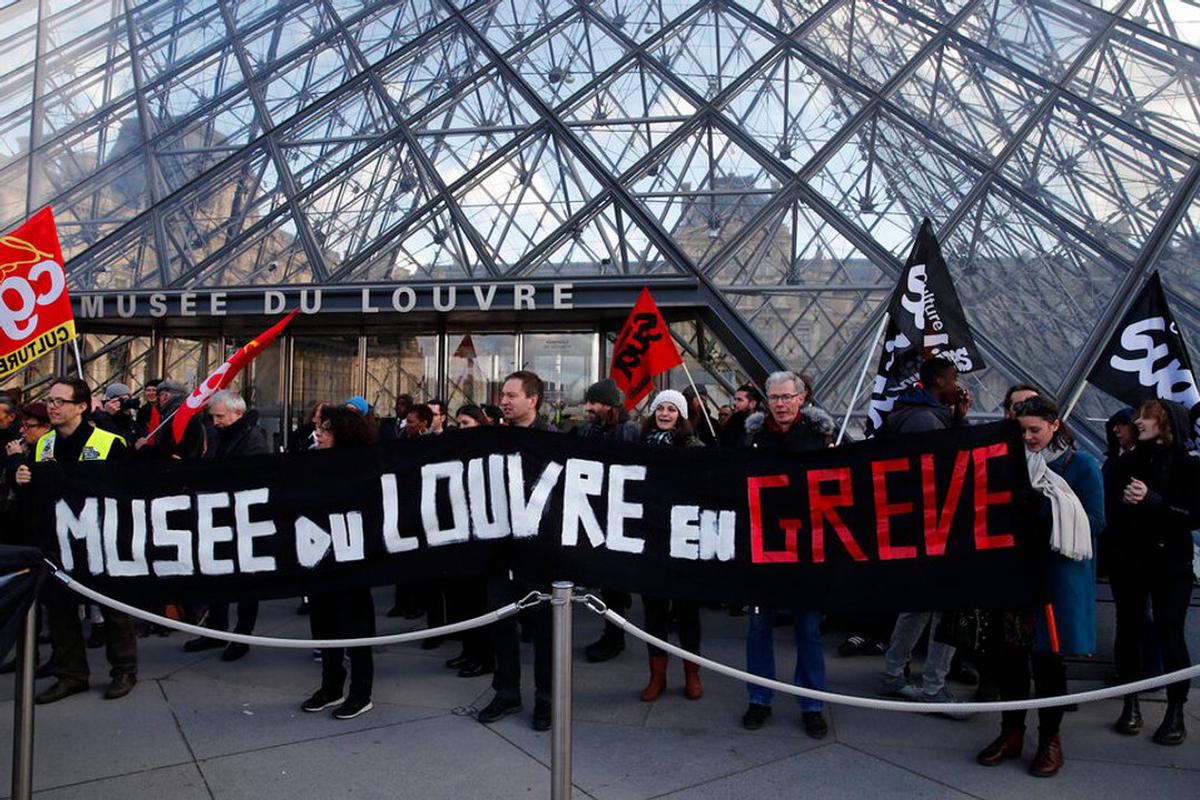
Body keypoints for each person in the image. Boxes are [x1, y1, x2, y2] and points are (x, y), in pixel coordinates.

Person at [977, 396, 1103, 776]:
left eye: (1035, 429)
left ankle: (1050, 739)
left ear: (1054, 425)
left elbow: (1096, 521)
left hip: (1053, 581)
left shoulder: (1080, 465)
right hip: (1016, 578)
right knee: (1011, 660)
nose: (1029, 437)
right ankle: (1011, 732)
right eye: (1022, 431)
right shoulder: (1010, 463)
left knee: (1049, 664)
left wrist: (1044, 508)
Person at [15, 377, 138, 704]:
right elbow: (35, 494)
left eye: (60, 401)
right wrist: (22, 478)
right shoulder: (43, 445)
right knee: (59, 608)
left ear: (81, 406)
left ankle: (124, 670)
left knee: (113, 607)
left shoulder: (111, 443)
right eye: (50, 400)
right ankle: (71, 674)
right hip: (58, 541)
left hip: (102, 540)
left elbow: (129, 492)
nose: (52, 407)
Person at [742, 370, 835, 739]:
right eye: (774, 398)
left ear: (801, 398)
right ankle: (759, 698)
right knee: (758, 628)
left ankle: (812, 704)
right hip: (763, 544)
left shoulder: (820, 437)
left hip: (807, 547)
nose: (780, 404)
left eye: (786, 397)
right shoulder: (752, 437)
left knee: (808, 629)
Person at [876, 357, 971, 709]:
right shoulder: (925, 421)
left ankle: (894, 672)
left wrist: (958, 418)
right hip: (935, 523)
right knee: (945, 607)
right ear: (938, 382)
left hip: (920, 524)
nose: (956, 385)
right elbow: (947, 468)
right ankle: (933, 686)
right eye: (953, 378)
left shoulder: (919, 415)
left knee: (917, 605)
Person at [1106, 399, 1197, 746]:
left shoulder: (1188, 466)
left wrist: (1153, 501)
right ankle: (1130, 702)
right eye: (1139, 416)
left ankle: (1175, 710)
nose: (1138, 421)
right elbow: (1107, 507)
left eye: (1147, 416)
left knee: (1170, 631)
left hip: (1171, 562)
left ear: (1167, 423)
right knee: (1128, 628)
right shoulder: (1125, 462)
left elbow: (1194, 516)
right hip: (1130, 559)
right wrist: (1123, 502)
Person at [478, 370, 557, 731]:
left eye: (511, 396)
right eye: (503, 396)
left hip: (540, 554)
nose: (504, 401)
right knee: (501, 624)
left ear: (532, 400)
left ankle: (546, 699)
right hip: (500, 551)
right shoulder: (494, 439)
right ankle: (506, 691)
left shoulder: (552, 440)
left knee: (545, 630)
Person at [301, 405, 378, 720]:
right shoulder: (313, 462)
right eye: (319, 428)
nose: (318, 434)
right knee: (323, 626)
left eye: (326, 430)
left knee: (357, 628)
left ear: (344, 434)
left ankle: (361, 693)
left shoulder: (362, 466)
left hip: (352, 560)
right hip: (320, 558)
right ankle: (331, 687)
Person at [181, 391, 270, 661]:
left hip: (243, 519)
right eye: (213, 417)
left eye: (220, 416)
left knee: (245, 581)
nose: (215, 421)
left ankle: (243, 635)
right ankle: (216, 629)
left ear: (237, 414)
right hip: (217, 514)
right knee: (216, 574)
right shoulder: (218, 434)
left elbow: (250, 476)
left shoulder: (253, 439)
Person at [638, 389, 704, 702]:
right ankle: (657, 676)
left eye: (672, 409)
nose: (665, 414)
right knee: (654, 612)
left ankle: (692, 675)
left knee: (687, 612)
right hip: (650, 541)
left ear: (681, 416)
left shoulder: (693, 448)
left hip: (683, 541)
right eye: (660, 408)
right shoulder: (639, 446)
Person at [576, 378, 640, 663]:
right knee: (607, 580)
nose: (588, 407)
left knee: (613, 580)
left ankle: (614, 637)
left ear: (609, 405)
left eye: (594, 402)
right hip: (598, 513)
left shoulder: (629, 431)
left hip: (620, 514)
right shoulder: (591, 429)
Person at [137, 378, 206, 459]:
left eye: (160, 395)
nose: (159, 400)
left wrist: (144, 448)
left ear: (165, 396)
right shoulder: (186, 414)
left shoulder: (177, 417)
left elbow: (169, 449)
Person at [719, 383, 761, 447]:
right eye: (735, 399)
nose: (734, 403)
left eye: (739, 400)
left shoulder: (763, 427)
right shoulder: (732, 423)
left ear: (752, 404)